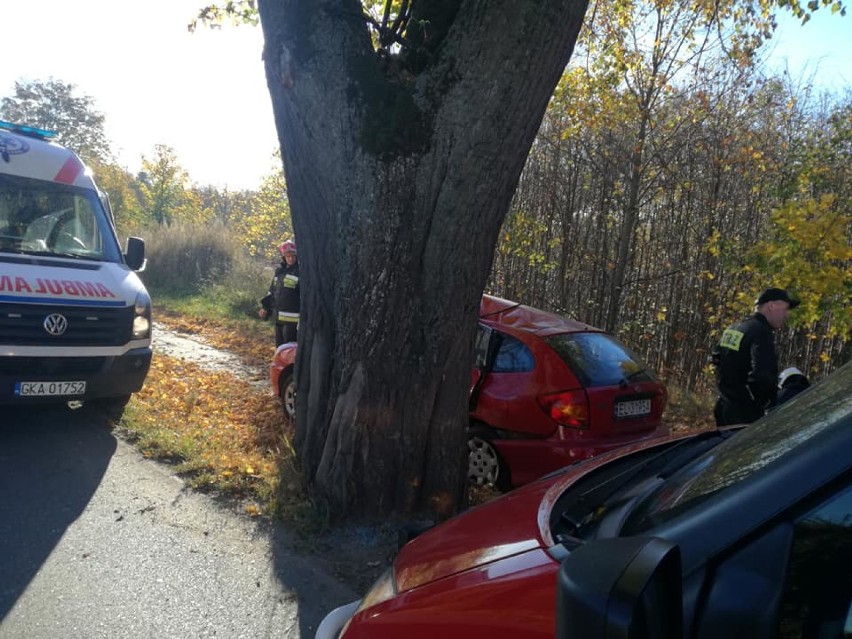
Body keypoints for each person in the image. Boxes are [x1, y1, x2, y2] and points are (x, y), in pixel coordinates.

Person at [711, 287, 800, 426]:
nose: (787, 314)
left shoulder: (735, 328)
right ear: (771, 306)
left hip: (724, 407)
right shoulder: (761, 332)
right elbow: (762, 374)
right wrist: (766, 403)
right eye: (785, 308)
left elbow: (716, 358)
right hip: (744, 413)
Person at [259, 240, 300, 347]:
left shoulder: (300, 272)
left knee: (289, 351)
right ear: (283, 257)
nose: (291, 258)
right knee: (280, 349)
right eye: (288, 256)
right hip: (278, 318)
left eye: (293, 256)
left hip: (292, 321)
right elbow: (272, 291)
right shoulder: (279, 271)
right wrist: (265, 307)